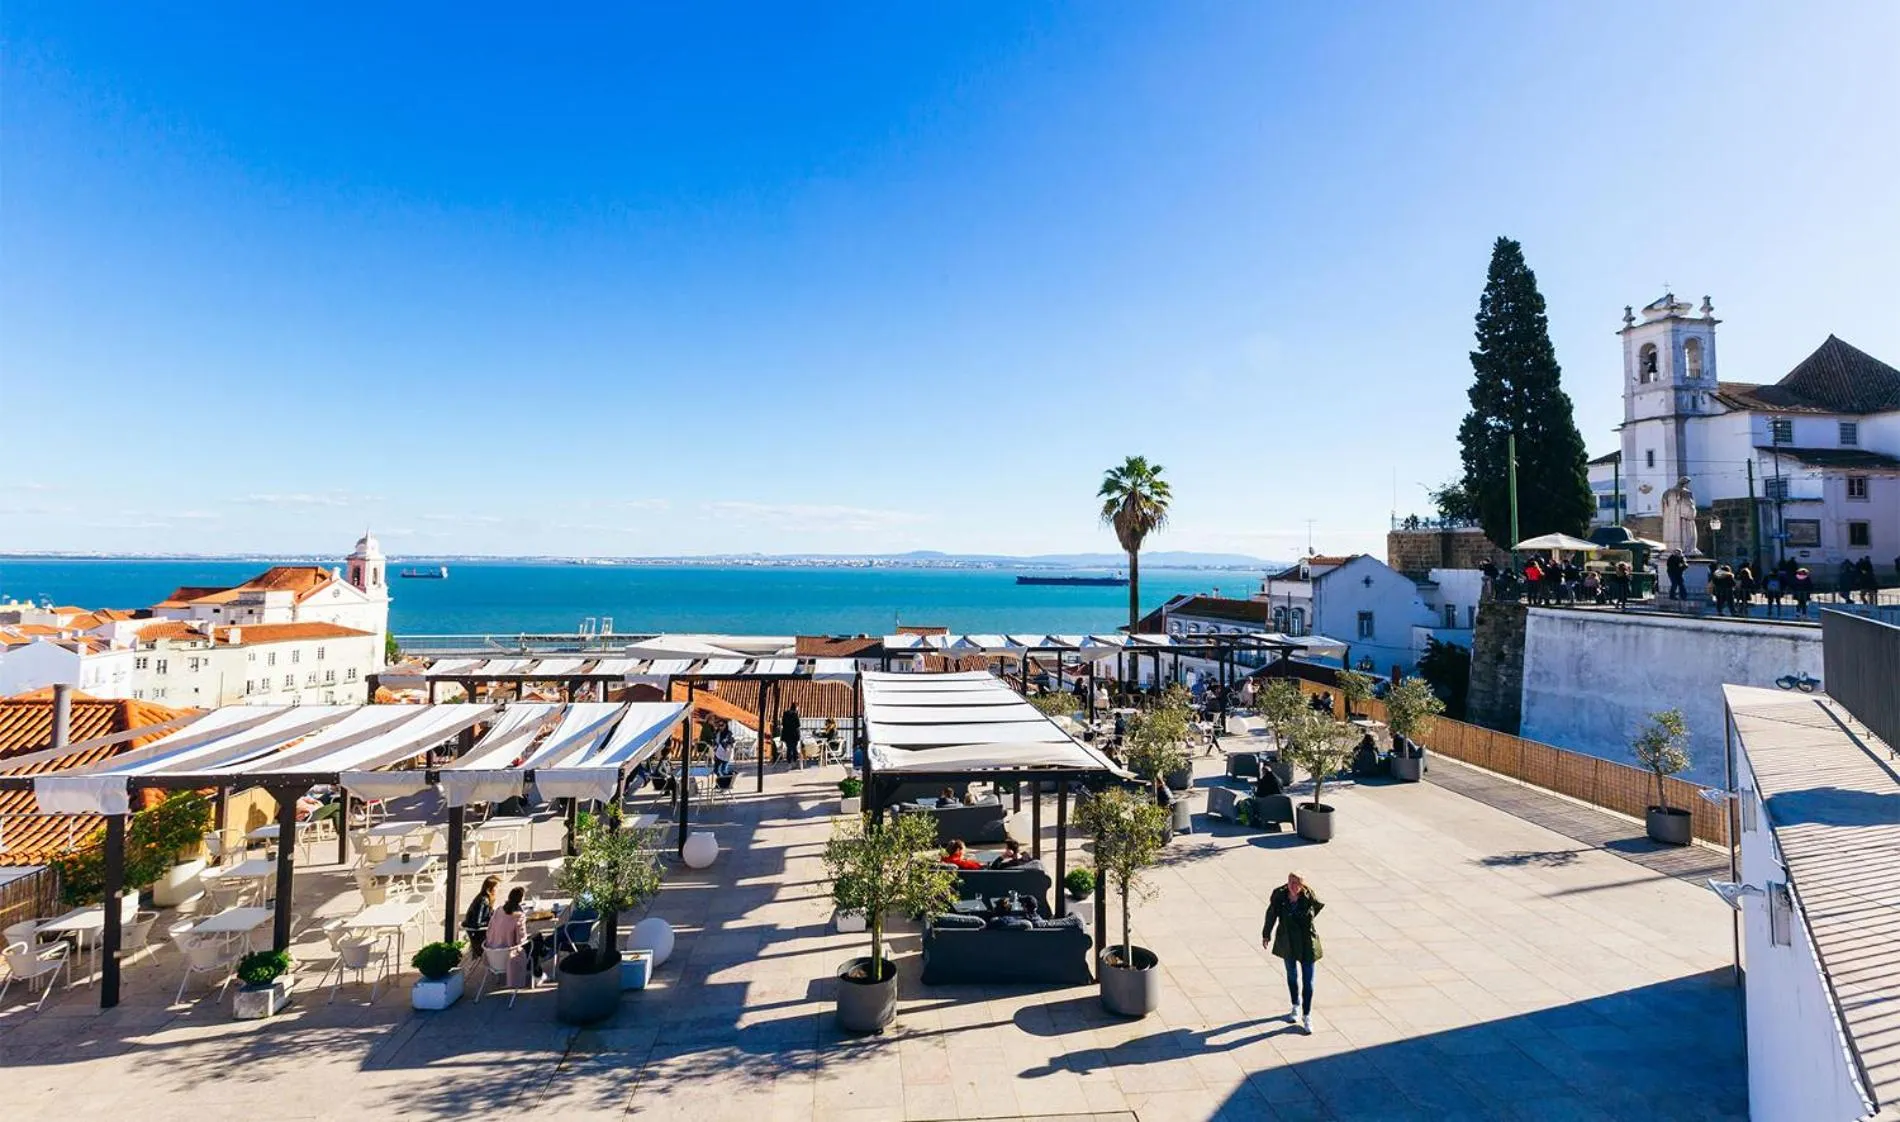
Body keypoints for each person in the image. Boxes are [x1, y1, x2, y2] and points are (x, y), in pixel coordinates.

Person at [1261, 872, 1325, 1033]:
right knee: (1291, 975)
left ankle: (1307, 1014)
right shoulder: (1280, 896)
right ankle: (1295, 1005)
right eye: (1291, 882)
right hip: (1288, 941)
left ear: (1302, 885)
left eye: (1296, 883)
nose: (1293, 885)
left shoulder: (1308, 898)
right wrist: (1266, 934)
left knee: (1308, 982)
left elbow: (1314, 912)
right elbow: (1271, 914)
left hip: (1306, 944)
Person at [485, 885, 531, 989]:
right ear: (521, 899)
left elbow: (490, 928)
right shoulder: (519, 916)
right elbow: (521, 940)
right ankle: (538, 974)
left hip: (492, 954)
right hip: (509, 954)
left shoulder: (499, 910)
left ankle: (538, 973)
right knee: (536, 943)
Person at [462, 875, 500, 960]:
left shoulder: (485, 897)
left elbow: (487, 915)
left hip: (478, 931)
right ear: (490, 888)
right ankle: (498, 959)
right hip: (477, 934)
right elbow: (477, 923)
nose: (498, 889)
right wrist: (492, 922)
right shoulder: (483, 900)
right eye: (496, 887)